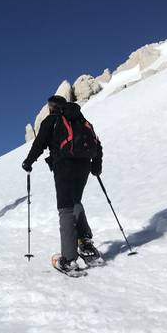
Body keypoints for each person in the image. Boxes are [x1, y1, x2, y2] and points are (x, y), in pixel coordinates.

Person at [22, 95, 103, 273]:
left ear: (51, 107)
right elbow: (96, 143)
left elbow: (39, 144)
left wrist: (28, 162)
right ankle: (86, 244)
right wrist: (96, 166)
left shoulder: (52, 120)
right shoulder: (80, 119)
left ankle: (68, 259)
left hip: (64, 166)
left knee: (65, 208)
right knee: (76, 201)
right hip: (84, 166)